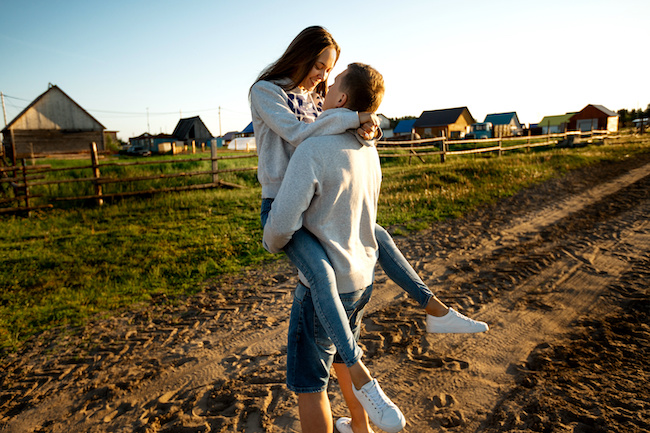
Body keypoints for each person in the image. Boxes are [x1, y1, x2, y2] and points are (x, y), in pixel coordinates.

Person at [264, 62, 402, 433]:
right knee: (344, 357)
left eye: (335, 79)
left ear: (341, 97)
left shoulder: (313, 150)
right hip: (361, 280)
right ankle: (361, 427)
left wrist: (270, 240)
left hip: (325, 287)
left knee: (311, 386)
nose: (327, 82)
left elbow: (282, 224)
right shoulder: (368, 147)